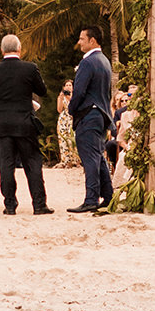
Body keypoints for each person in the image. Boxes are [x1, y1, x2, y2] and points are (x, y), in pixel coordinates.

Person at [0, 34, 51, 216]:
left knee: (6, 164)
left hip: (3, 122)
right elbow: (42, 91)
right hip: (25, 122)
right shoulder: (29, 68)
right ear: (19, 49)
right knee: (32, 162)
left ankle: (10, 205)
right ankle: (39, 204)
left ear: (2, 50)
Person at [68, 26, 114, 213]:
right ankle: (109, 196)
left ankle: (91, 199)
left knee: (90, 159)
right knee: (98, 157)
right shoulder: (104, 61)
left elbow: (79, 91)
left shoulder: (88, 63)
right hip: (102, 114)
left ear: (92, 40)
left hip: (89, 114)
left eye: (82, 39)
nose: (79, 42)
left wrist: (71, 108)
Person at [56, 85, 80, 168]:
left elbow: (76, 106)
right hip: (64, 119)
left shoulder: (76, 95)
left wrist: (69, 97)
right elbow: (59, 109)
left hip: (72, 118)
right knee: (64, 139)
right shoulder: (61, 96)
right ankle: (66, 161)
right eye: (67, 85)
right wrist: (61, 98)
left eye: (70, 85)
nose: (68, 87)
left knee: (73, 138)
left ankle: (76, 160)